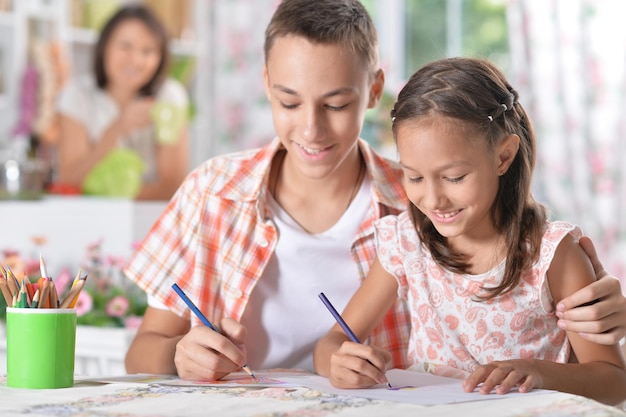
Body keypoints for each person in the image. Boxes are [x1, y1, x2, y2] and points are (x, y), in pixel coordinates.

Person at [123, 0, 626, 382]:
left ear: (373, 89)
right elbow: (144, 347)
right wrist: (178, 354)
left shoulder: (419, 205)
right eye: (289, 101)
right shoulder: (213, 192)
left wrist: (590, 314)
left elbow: (530, 298)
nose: (312, 130)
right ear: (266, 83)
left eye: (337, 104)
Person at [313, 57, 626, 405]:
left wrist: (538, 372)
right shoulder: (405, 242)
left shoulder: (553, 254)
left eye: (454, 177)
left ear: (503, 157)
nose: (432, 199)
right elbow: (330, 344)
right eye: (414, 176)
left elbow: (613, 380)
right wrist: (338, 362)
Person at [55, 5, 189, 201]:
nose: (135, 60)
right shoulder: (77, 96)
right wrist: (118, 129)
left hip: (150, 219)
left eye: (148, 51)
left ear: (160, 57)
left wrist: (109, 195)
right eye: (125, 47)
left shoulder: (169, 96)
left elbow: (172, 185)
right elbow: (69, 179)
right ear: (104, 47)